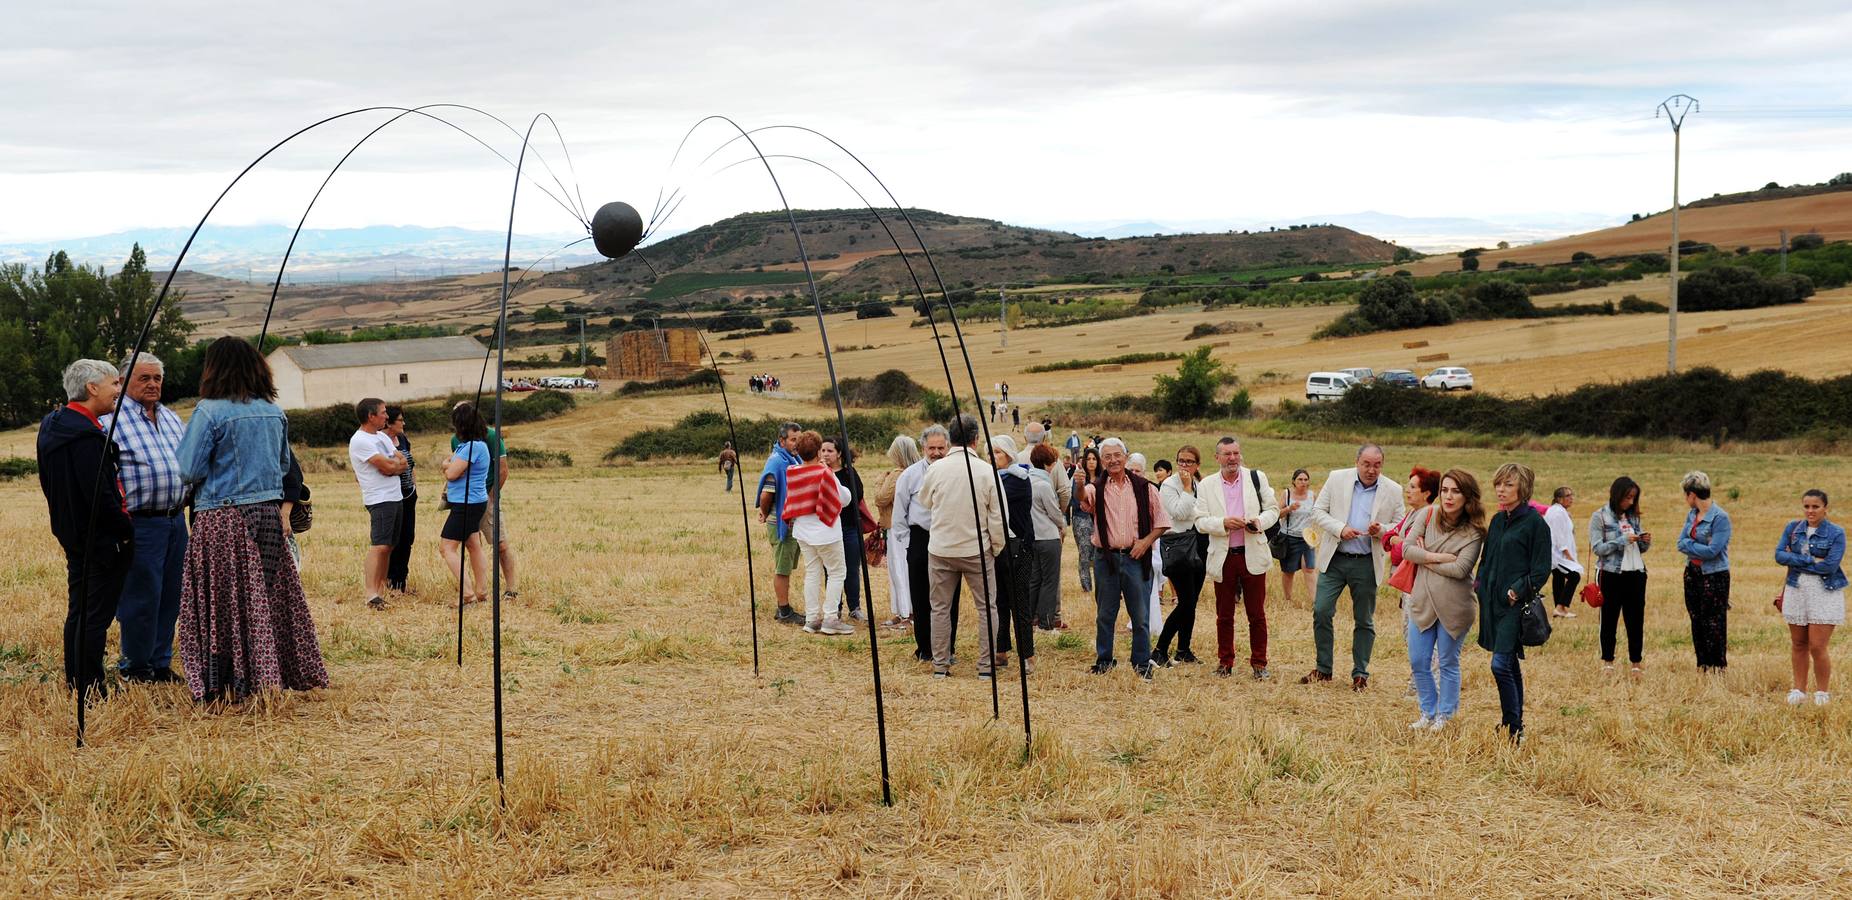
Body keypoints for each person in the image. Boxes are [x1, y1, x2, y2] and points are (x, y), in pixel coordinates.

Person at [174, 337, 328, 702]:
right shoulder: (274, 412)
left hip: (222, 516)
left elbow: (188, 469)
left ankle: (229, 680)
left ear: (214, 369)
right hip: (268, 514)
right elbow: (285, 466)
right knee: (264, 597)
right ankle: (266, 675)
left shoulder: (209, 411)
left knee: (225, 601)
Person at [38, 358, 134, 697]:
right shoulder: (88, 438)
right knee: (94, 617)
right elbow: (101, 495)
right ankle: (91, 688)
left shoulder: (54, 426)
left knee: (80, 612)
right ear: (92, 388)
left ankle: (79, 681)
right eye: (114, 385)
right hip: (100, 540)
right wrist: (124, 528)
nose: (118, 392)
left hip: (74, 535)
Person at [99, 353, 189, 684]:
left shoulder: (172, 418)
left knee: (171, 595)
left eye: (157, 378)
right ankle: (136, 667)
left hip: (175, 520)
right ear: (122, 383)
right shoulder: (110, 422)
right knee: (141, 597)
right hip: (140, 523)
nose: (153, 384)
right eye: (144, 378)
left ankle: (160, 662)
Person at [1304, 444, 1404, 689]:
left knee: (1364, 619)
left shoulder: (1393, 489)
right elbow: (1317, 512)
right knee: (1322, 610)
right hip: (1335, 558)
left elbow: (1401, 523)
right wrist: (1340, 528)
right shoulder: (1337, 478)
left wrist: (1380, 530)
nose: (1372, 470)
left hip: (1367, 563)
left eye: (1377, 465)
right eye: (1367, 464)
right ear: (1357, 462)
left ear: (1383, 464)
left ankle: (1360, 673)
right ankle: (1324, 668)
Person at [1400, 469, 1486, 732]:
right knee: (1418, 660)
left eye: (1456, 491)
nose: (1448, 497)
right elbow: (1405, 549)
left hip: (1454, 605)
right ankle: (1428, 711)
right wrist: (1437, 557)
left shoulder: (1475, 531)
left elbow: (1461, 570)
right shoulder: (1428, 514)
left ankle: (1445, 716)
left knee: (1448, 662)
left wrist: (1424, 555)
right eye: (1445, 490)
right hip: (1423, 600)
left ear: (1467, 496)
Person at [920, 414, 1005, 678]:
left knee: (940, 608)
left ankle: (940, 666)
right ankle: (985, 668)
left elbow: (925, 502)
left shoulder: (936, 468)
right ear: (976, 440)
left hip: (941, 549)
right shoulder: (986, 471)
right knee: (986, 608)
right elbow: (998, 516)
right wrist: (997, 547)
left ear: (950, 440)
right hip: (976, 549)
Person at [1080, 438, 1171, 678]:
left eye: (1117, 455)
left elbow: (1162, 522)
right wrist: (1078, 485)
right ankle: (1104, 660)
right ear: (1101, 461)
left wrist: (1145, 542)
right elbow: (1083, 499)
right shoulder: (1096, 487)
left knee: (1140, 615)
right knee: (1105, 614)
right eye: (1107, 456)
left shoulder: (1144, 487)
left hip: (1135, 557)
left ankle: (1141, 663)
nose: (1113, 460)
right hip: (1106, 559)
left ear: (1126, 457)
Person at [1191, 437, 1280, 679]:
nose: (1232, 458)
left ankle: (1260, 663)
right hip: (1224, 556)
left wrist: (1258, 522)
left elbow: (1273, 510)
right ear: (1217, 457)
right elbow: (1199, 521)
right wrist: (1223, 523)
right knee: (1224, 615)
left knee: (1257, 614)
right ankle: (1225, 662)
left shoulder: (1256, 478)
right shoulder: (1207, 485)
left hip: (1253, 553)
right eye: (1227, 454)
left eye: (1236, 453)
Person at [1475, 463, 1551, 743]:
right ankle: (1515, 724)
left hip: (1514, 607)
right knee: (1508, 664)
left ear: (1523, 488)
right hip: (1490, 603)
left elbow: (1542, 569)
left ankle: (1511, 725)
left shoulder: (1535, 524)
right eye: (1498, 484)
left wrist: (1517, 591)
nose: (1501, 490)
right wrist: (1479, 584)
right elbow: (1486, 559)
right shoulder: (1497, 521)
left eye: (1508, 484)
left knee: (1499, 665)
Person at [896, 424, 959, 661]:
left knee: (949, 598)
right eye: (931, 448)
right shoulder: (910, 475)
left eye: (940, 448)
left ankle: (947, 649)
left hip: (950, 538)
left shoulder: (956, 473)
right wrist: (908, 545)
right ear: (923, 447)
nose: (936, 452)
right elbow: (899, 513)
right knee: (921, 597)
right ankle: (924, 648)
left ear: (948, 447)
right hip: (920, 538)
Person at [1776, 490, 1844, 706]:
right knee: (1798, 643)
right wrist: (1809, 560)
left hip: (1824, 591)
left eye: (1815, 507)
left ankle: (1822, 692)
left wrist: (1795, 559)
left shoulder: (1836, 533)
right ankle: (1799, 690)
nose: (1810, 511)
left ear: (1825, 508)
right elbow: (1779, 555)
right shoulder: (1792, 528)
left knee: (1817, 645)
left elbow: (1830, 565)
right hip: (1796, 588)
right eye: (1806, 506)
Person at [783, 431, 854, 635]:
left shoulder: (793, 471)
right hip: (826, 531)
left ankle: (812, 618)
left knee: (812, 573)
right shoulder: (824, 473)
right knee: (837, 572)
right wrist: (827, 471)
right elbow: (844, 498)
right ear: (818, 452)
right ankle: (831, 618)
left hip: (803, 531)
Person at [450, 403, 519, 603]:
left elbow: (503, 470)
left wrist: (491, 496)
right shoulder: (456, 440)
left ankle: (511, 588)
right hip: (466, 501)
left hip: (486, 498)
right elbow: (459, 467)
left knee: (501, 545)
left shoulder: (490, 436)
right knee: (472, 544)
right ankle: (479, 589)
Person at [1384, 466, 1441, 697]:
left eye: (1413, 487)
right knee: (1409, 634)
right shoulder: (1410, 514)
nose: (1407, 491)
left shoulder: (1428, 515)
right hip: (1407, 584)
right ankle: (1418, 682)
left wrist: (1398, 542)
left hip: (1420, 583)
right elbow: (1389, 540)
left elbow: (1401, 552)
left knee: (1422, 634)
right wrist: (1397, 540)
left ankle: (1428, 686)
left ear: (1426, 493)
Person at [1153, 445, 1209, 667]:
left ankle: (1183, 649)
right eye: (1181, 461)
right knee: (1185, 602)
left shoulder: (1201, 485)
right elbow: (1179, 513)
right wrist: (1186, 488)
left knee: (1192, 601)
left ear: (1197, 465)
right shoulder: (1169, 485)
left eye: (1189, 462)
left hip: (1199, 543)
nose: (1184, 466)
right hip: (1178, 545)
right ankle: (1159, 649)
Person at [1589, 476, 1652, 675]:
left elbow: (1640, 548)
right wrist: (1621, 540)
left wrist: (1644, 541)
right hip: (1611, 574)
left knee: (1636, 619)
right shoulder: (1599, 516)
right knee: (1609, 617)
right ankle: (1608, 660)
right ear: (1617, 495)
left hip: (1636, 572)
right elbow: (1598, 548)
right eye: (1628, 497)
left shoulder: (1633, 517)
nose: (1631, 502)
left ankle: (1636, 662)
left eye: (1634, 498)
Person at [349, 397, 406, 610]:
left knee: (389, 546)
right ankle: (370, 592)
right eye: (383, 412)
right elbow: (389, 466)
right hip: (380, 499)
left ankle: (380, 589)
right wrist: (394, 466)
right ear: (371, 416)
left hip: (394, 497)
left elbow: (400, 460)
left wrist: (395, 465)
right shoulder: (361, 440)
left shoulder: (381, 436)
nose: (387, 416)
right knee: (379, 545)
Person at [1676, 471, 1733, 672]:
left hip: (1714, 575)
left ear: (1692, 494)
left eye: (1686, 495)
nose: (1686, 500)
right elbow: (1679, 543)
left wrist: (1690, 544)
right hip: (1692, 572)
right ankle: (1703, 663)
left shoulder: (1720, 518)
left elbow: (1713, 551)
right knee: (1696, 618)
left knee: (1714, 621)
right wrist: (1696, 545)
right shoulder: (1691, 515)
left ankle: (1718, 664)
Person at [991, 435, 1038, 673]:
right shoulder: (996, 478)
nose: (993, 456)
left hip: (1018, 547)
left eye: (998, 452)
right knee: (999, 601)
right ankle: (1001, 651)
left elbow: (994, 498)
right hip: (999, 546)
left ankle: (1027, 656)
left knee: (1019, 603)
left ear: (1009, 455)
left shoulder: (1017, 479)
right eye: (991, 452)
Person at [439, 403, 493, 606]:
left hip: (466, 504)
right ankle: (482, 591)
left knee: (446, 548)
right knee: (473, 545)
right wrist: (450, 464)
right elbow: (452, 464)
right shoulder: (478, 445)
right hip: (475, 502)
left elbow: (451, 473)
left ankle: (467, 593)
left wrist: (446, 466)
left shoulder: (471, 447)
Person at [756, 422, 806, 625]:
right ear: (782, 440)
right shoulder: (777, 462)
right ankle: (784, 610)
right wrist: (765, 512)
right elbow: (766, 494)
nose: (797, 443)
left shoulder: (794, 458)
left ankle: (784, 607)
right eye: (793, 439)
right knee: (782, 568)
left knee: (787, 566)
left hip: (794, 523)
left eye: (799, 439)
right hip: (781, 523)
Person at [821, 436, 875, 622]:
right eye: (823, 450)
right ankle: (835, 608)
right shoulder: (819, 473)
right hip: (827, 529)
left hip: (849, 528)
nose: (826, 454)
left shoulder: (848, 473)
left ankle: (855, 607)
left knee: (852, 569)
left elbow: (856, 495)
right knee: (830, 570)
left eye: (830, 450)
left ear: (839, 454)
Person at [874, 435, 919, 628]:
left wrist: (880, 481)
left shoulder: (897, 474)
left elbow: (880, 498)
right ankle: (902, 612)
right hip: (909, 526)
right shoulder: (917, 471)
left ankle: (906, 613)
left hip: (896, 528)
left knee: (899, 570)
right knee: (903, 570)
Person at [1026, 443, 1068, 634]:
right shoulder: (1044, 484)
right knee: (1050, 581)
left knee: (1035, 579)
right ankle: (1047, 622)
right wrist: (1063, 524)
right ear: (1048, 463)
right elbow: (1054, 512)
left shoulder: (1027, 480)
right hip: (1048, 537)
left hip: (1033, 536)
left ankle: (1032, 619)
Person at [383, 405, 417, 596]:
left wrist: (414, 487)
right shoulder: (380, 442)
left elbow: (411, 466)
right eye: (400, 420)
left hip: (408, 495)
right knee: (392, 540)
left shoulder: (403, 439)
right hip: (391, 497)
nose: (404, 423)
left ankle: (400, 581)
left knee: (407, 539)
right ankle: (389, 580)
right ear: (389, 422)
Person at [1276, 468, 1317, 607]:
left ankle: (1315, 602)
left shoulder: (1313, 496)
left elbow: (1319, 514)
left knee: (1310, 569)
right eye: (1300, 479)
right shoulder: (1287, 494)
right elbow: (1276, 514)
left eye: (1306, 479)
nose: (1303, 482)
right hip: (1289, 537)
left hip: (1307, 538)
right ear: (1294, 481)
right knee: (1289, 571)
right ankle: (1288, 600)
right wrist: (1289, 508)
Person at [1069, 447, 1103, 605]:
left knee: (1099, 553)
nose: (1091, 462)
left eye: (1094, 459)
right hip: (1082, 518)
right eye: (1088, 459)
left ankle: (1101, 584)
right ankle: (1086, 586)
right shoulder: (1079, 479)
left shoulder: (1103, 478)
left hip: (1099, 519)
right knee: (1084, 553)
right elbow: (1076, 500)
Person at [1544, 486, 1583, 618]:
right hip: (1558, 554)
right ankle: (1561, 606)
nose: (1571, 498)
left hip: (1555, 553)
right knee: (1574, 576)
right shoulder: (1557, 513)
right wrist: (1567, 553)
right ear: (1559, 499)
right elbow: (1557, 535)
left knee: (1559, 578)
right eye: (1568, 496)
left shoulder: (1558, 511)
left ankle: (1559, 609)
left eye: (1572, 495)